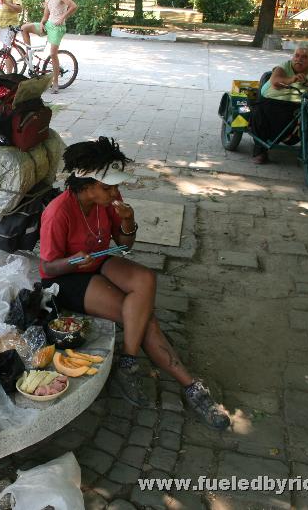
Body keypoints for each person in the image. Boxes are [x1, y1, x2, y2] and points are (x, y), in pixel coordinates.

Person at [39, 137, 230, 430]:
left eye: (115, 186)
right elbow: (48, 267)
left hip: (99, 261)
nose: (116, 192)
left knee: (145, 279)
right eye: (108, 187)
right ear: (85, 185)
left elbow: (125, 245)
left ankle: (128, 358)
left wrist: (129, 221)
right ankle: (191, 386)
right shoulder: (57, 212)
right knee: (144, 319)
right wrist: (73, 261)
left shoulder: (106, 203)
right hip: (66, 278)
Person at [251, 44, 308, 164]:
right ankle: (260, 150)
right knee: (260, 112)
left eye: (304, 57)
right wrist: (291, 79)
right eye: (297, 55)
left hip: (302, 102)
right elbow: (275, 81)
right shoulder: (284, 66)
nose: (299, 59)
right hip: (275, 99)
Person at [20, 0, 77, 93]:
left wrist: (62, 18)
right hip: (48, 25)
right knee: (24, 28)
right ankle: (28, 52)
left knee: (52, 53)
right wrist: (41, 23)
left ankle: (55, 83)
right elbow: (46, 16)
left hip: (58, 28)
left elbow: (73, 6)